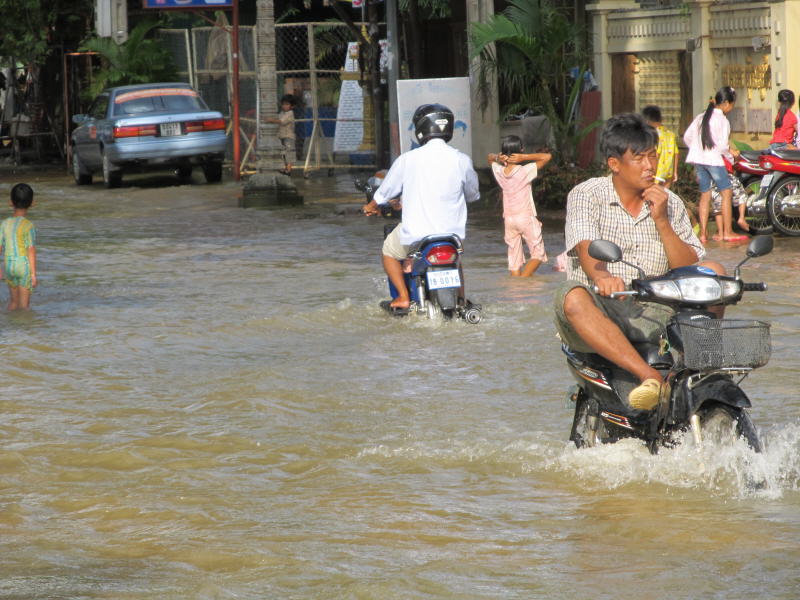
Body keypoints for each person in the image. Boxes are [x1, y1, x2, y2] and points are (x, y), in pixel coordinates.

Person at [554, 113, 718, 411]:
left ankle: (701, 368)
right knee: (571, 297)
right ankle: (648, 376)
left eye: (652, 156)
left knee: (715, 275)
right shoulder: (587, 194)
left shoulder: (670, 202)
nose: (649, 166)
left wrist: (662, 220)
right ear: (614, 164)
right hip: (602, 307)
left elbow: (688, 266)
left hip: (658, 310)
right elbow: (585, 244)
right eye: (639, 158)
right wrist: (601, 276)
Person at [362, 103, 480, 310]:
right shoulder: (462, 160)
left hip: (417, 236)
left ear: (421, 128)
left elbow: (385, 192)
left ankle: (403, 296)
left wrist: (371, 205)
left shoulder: (408, 159)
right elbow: (473, 195)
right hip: (452, 237)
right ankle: (461, 299)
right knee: (456, 259)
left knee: (388, 251)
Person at [683, 86, 745, 244]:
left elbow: (687, 137)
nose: (731, 108)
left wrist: (698, 149)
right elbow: (723, 146)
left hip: (698, 159)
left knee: (705, 194)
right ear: (725, 103)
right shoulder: (722, 120)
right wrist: (732, 153)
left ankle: (703, 234)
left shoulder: (701, 116)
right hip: (713, 160)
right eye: (731, 105)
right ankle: (727, 232)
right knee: (726, 193)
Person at [487, 135, 552, 276]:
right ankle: (523, 282)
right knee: (538, 254)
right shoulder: (525, 170)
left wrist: (498, 158)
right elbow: (546, 157)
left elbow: (489, 158)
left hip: (509, 220)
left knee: (514, 259)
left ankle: (515, 290)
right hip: (525, 218)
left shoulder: (499, 171)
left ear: (503, 152)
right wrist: (525, 157)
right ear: (521, 150)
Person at [0, 183, 38, 310]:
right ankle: (23, 328)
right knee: (24, 306)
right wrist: (33, 274)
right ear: (32, 203)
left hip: (9, 266)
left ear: (11, 202)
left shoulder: (4, 224)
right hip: (23, 266)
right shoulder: (28, 226)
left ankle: (8, 324)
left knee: (13, 302)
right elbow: (31, 250)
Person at [642, 105, 679, 188]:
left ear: (647, 121)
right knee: (666, 195)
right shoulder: (670, 134)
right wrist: (675, 172)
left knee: (653, 195)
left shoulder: (653, 135)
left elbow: (656, 154)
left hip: (657, 172)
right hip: (669, 171)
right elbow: (676, 153)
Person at [265, 94, 296, 175]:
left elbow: (281, 121)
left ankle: (288, 170)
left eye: (287, 104)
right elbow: (278, 118)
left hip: (288, 137)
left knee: (289, 153)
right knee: (282, 153)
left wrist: (270, 120)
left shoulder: (290, 113)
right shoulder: (282, 113)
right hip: (281, 136)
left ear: (292, 106)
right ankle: (284, 168)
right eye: (283, 104)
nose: (284, 106)